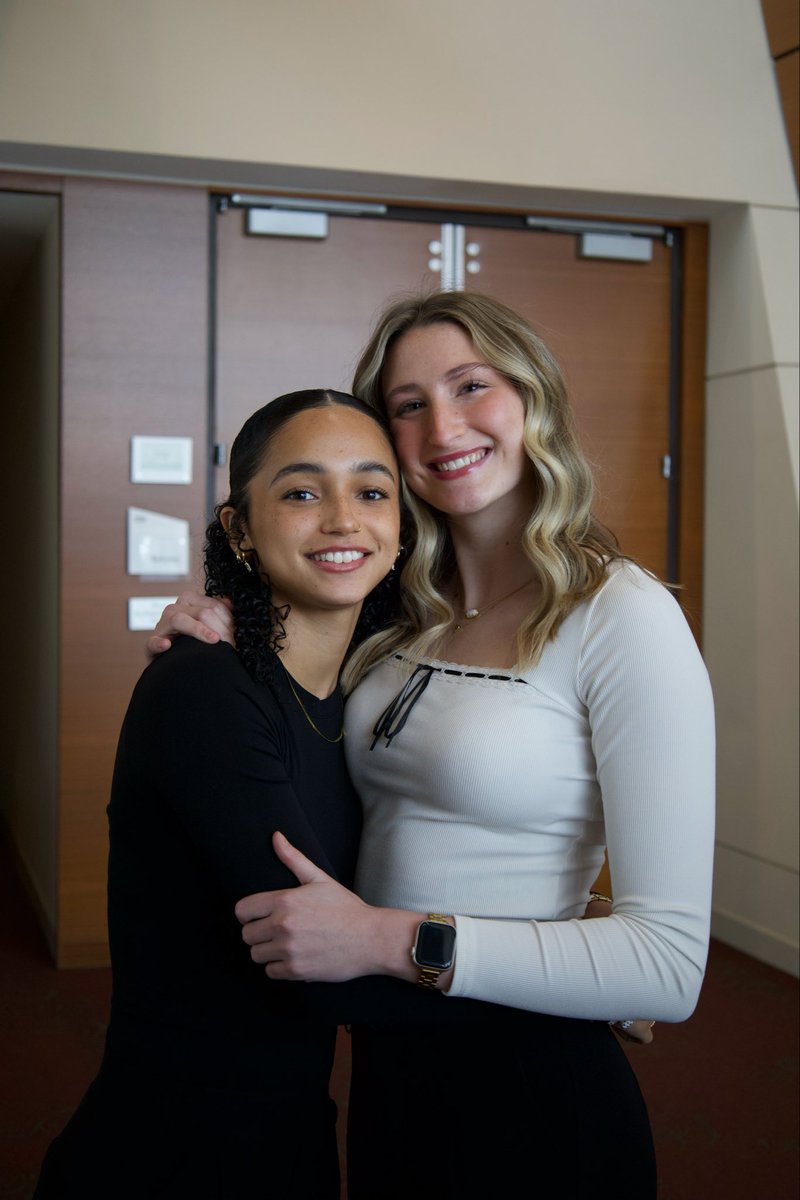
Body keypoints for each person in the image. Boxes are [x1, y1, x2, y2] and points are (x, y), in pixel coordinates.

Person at [151, 291, 714, 1198]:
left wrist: (386, 940)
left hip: (534, 1090)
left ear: (533, 399)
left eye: (471, 385)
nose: (443, 425)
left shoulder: (623, 616)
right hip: (390, 1075)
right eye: (408, 405)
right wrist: (221, 609)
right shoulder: (400, 608)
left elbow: (667, 967)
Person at [32, 389, 406, 1199]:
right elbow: (319, 958)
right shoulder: (203, 688)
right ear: (237, 526)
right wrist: (562, 978)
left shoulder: (374, 688)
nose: (344, 519)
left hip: (288, 1129)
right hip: (172, 1151)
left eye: (372, 491)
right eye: (303, 492)